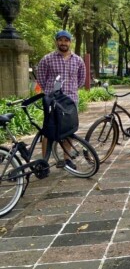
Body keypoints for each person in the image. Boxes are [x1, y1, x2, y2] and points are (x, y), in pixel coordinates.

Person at [36, 30, 86, 170]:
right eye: (60, 40)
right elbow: (41, 78)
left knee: (69, 130)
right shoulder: (47, 59)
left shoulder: (78, 60)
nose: (63, 43)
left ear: (70, 42)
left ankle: (67, 158)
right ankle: (44, 162)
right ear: (56, 41)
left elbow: (81, 80)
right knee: (48, 130)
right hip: (52, 100)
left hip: (70, 100)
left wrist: (71, 89)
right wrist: (49, 92)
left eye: (66, 40)